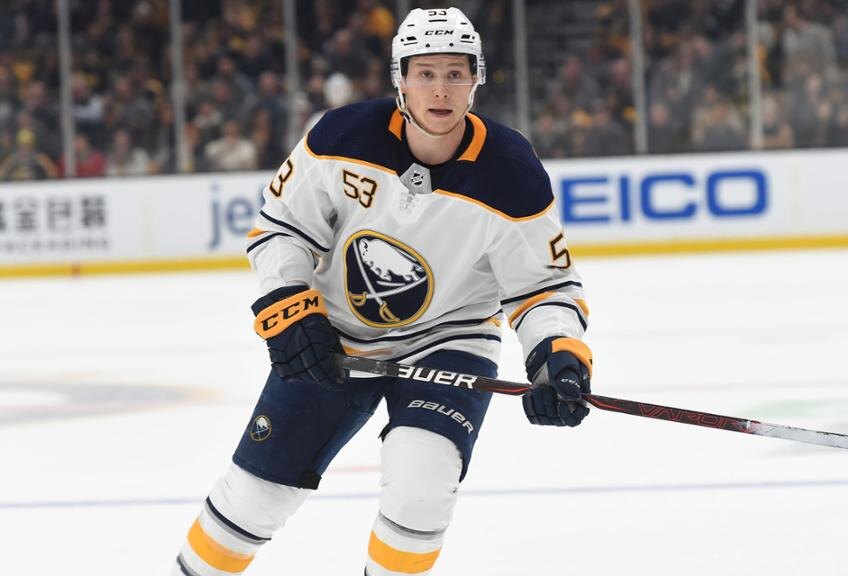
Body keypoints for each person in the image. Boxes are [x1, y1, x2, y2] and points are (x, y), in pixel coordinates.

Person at [171, 7, 592, 576]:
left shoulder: (512, 171)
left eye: (455, 73)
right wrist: (291, 311)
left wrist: (557, 355)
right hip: (334, 335)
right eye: (425, 73)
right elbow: (282, 228)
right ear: (400, 78)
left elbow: (544, 286)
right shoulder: (340, 136)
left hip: (449, 339)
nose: (440, 90)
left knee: (422, 486)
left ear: (476, 79)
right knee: (252, 497)